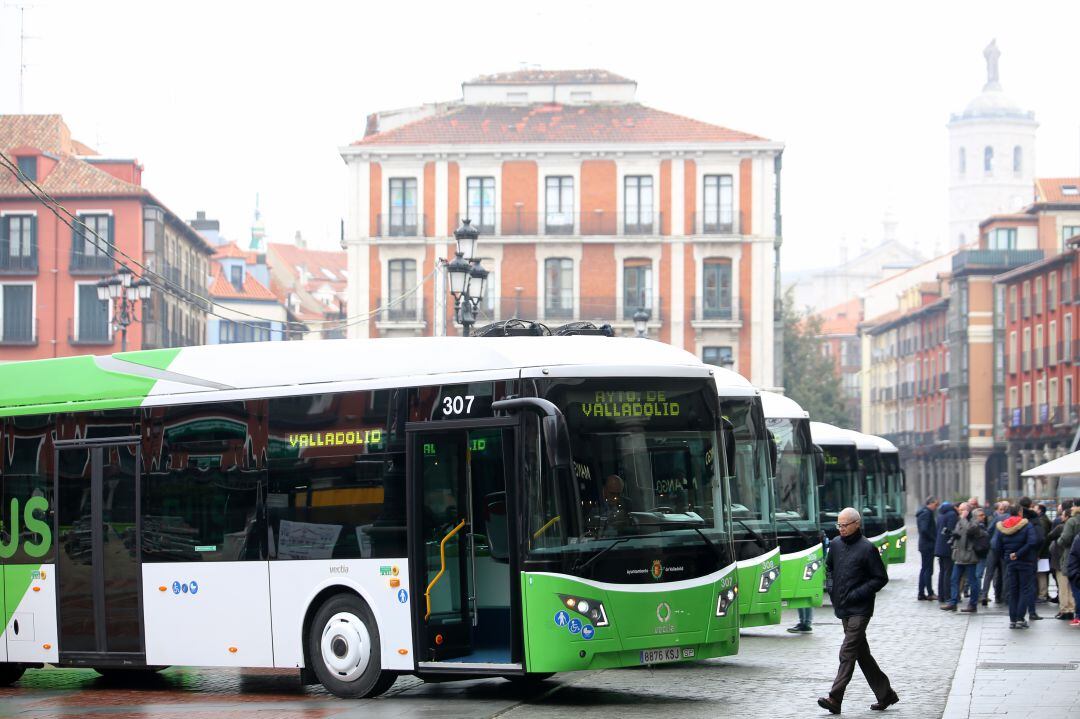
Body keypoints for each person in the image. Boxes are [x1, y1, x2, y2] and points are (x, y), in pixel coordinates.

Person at [816, 508, 898, 715]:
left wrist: (857, 593)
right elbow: (829, 569)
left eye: (845, 525)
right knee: (862, 654)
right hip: (843, 607)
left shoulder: (867, 548)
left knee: (847, 651)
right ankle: (886, 694)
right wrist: (832, 590)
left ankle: (835, 698)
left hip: (861, 609)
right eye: (839, 525)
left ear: (856, 524)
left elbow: (880, 578)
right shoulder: (835, 544)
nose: (841, 529)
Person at [991, 504, 1039, 629]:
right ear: (1020, 512)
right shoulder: (1027, 525)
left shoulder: (1002, 526)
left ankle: (1012, 619)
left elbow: (997, 546)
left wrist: (1007, 556)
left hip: (1010, 562)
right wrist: (1018, 554)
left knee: (1013, 590)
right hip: (1025, 561)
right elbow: (1032, 542)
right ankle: (1020, 618)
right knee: (1024, 589)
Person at [944, 504, 985, 613]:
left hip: (969, 556)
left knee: (972, 581)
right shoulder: (960, 521)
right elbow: (958, 534)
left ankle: (973, 604)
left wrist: (963, 519)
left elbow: (969, 530)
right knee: (954, 579)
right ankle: (953, 602)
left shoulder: (974, 521)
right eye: (959, 510)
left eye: (962, 510)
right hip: (959, 555)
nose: (960, 512)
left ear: (967, 511)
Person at [981, 500, 1010, 605]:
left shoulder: (997, 518)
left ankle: (984, 595)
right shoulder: (1010, 518)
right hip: (1005, 548)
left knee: (989, 573)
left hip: (993, 547)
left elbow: (988, 530)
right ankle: (1004, 597)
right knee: (1004, 573)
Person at [1050, 501, 1076, 620]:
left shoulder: (1061, 527)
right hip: (1073, 561)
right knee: (1071, 587)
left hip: (1062, 560)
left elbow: (1050, 537)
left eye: (1062, 515)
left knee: (1063, 587)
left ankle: (1064, 610)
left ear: (1066, 517)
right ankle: (1071, 608)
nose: (1061, 517)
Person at [934, 501, 959, 604]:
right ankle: (947, 595)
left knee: (942, 571)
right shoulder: (952, 515)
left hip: (939, 547)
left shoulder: (941, 514)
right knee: (948, 572)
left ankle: (941, 595)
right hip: (947, 547)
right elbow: (951, 531)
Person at [916, 496, 940, 601]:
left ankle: (922, 593)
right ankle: (929, 592)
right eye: (935, 505)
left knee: (925, 569)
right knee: (927, 570)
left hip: (925, 545)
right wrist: (934, 539)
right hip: (928, 545)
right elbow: (924, 529)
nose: (936, 507)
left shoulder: (924, 512)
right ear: (930, 503)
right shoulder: (926, 513)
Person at [1033, 502, 1052, 603]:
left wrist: (1038, 554)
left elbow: (1042, 539)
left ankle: (1042, 594)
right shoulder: (1044, 519)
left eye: (1035, 508)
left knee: (1041, 573)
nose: (1033, 509)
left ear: (1039, 510)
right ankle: (1043, 593)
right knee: (1042, 573)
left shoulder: (1042, 521)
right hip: (1044, 551)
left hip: (1042, 552)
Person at [1066, 530, 1080, 627]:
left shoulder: (1078, 538)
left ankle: (1078, 617)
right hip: (1075, 570)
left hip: (1076, 571)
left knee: (1077, 594)